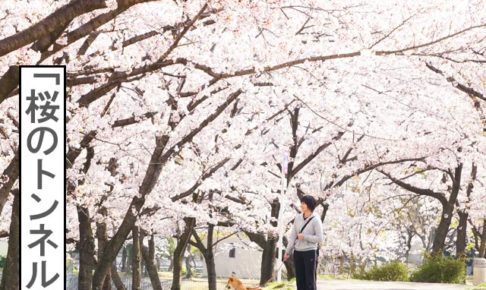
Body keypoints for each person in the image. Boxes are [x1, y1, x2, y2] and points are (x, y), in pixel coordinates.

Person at [283, 195, 323, 290]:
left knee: (309, 281)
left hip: (310, 252)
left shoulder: (316, 220)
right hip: (298, 252)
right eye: (301, 203)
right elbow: (293, 236)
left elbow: (320, 238)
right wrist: (287, 251)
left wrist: (305, 237)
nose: (301, 205)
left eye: (304, 203)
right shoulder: (297, 218)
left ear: (309, 205)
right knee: (300, 280)